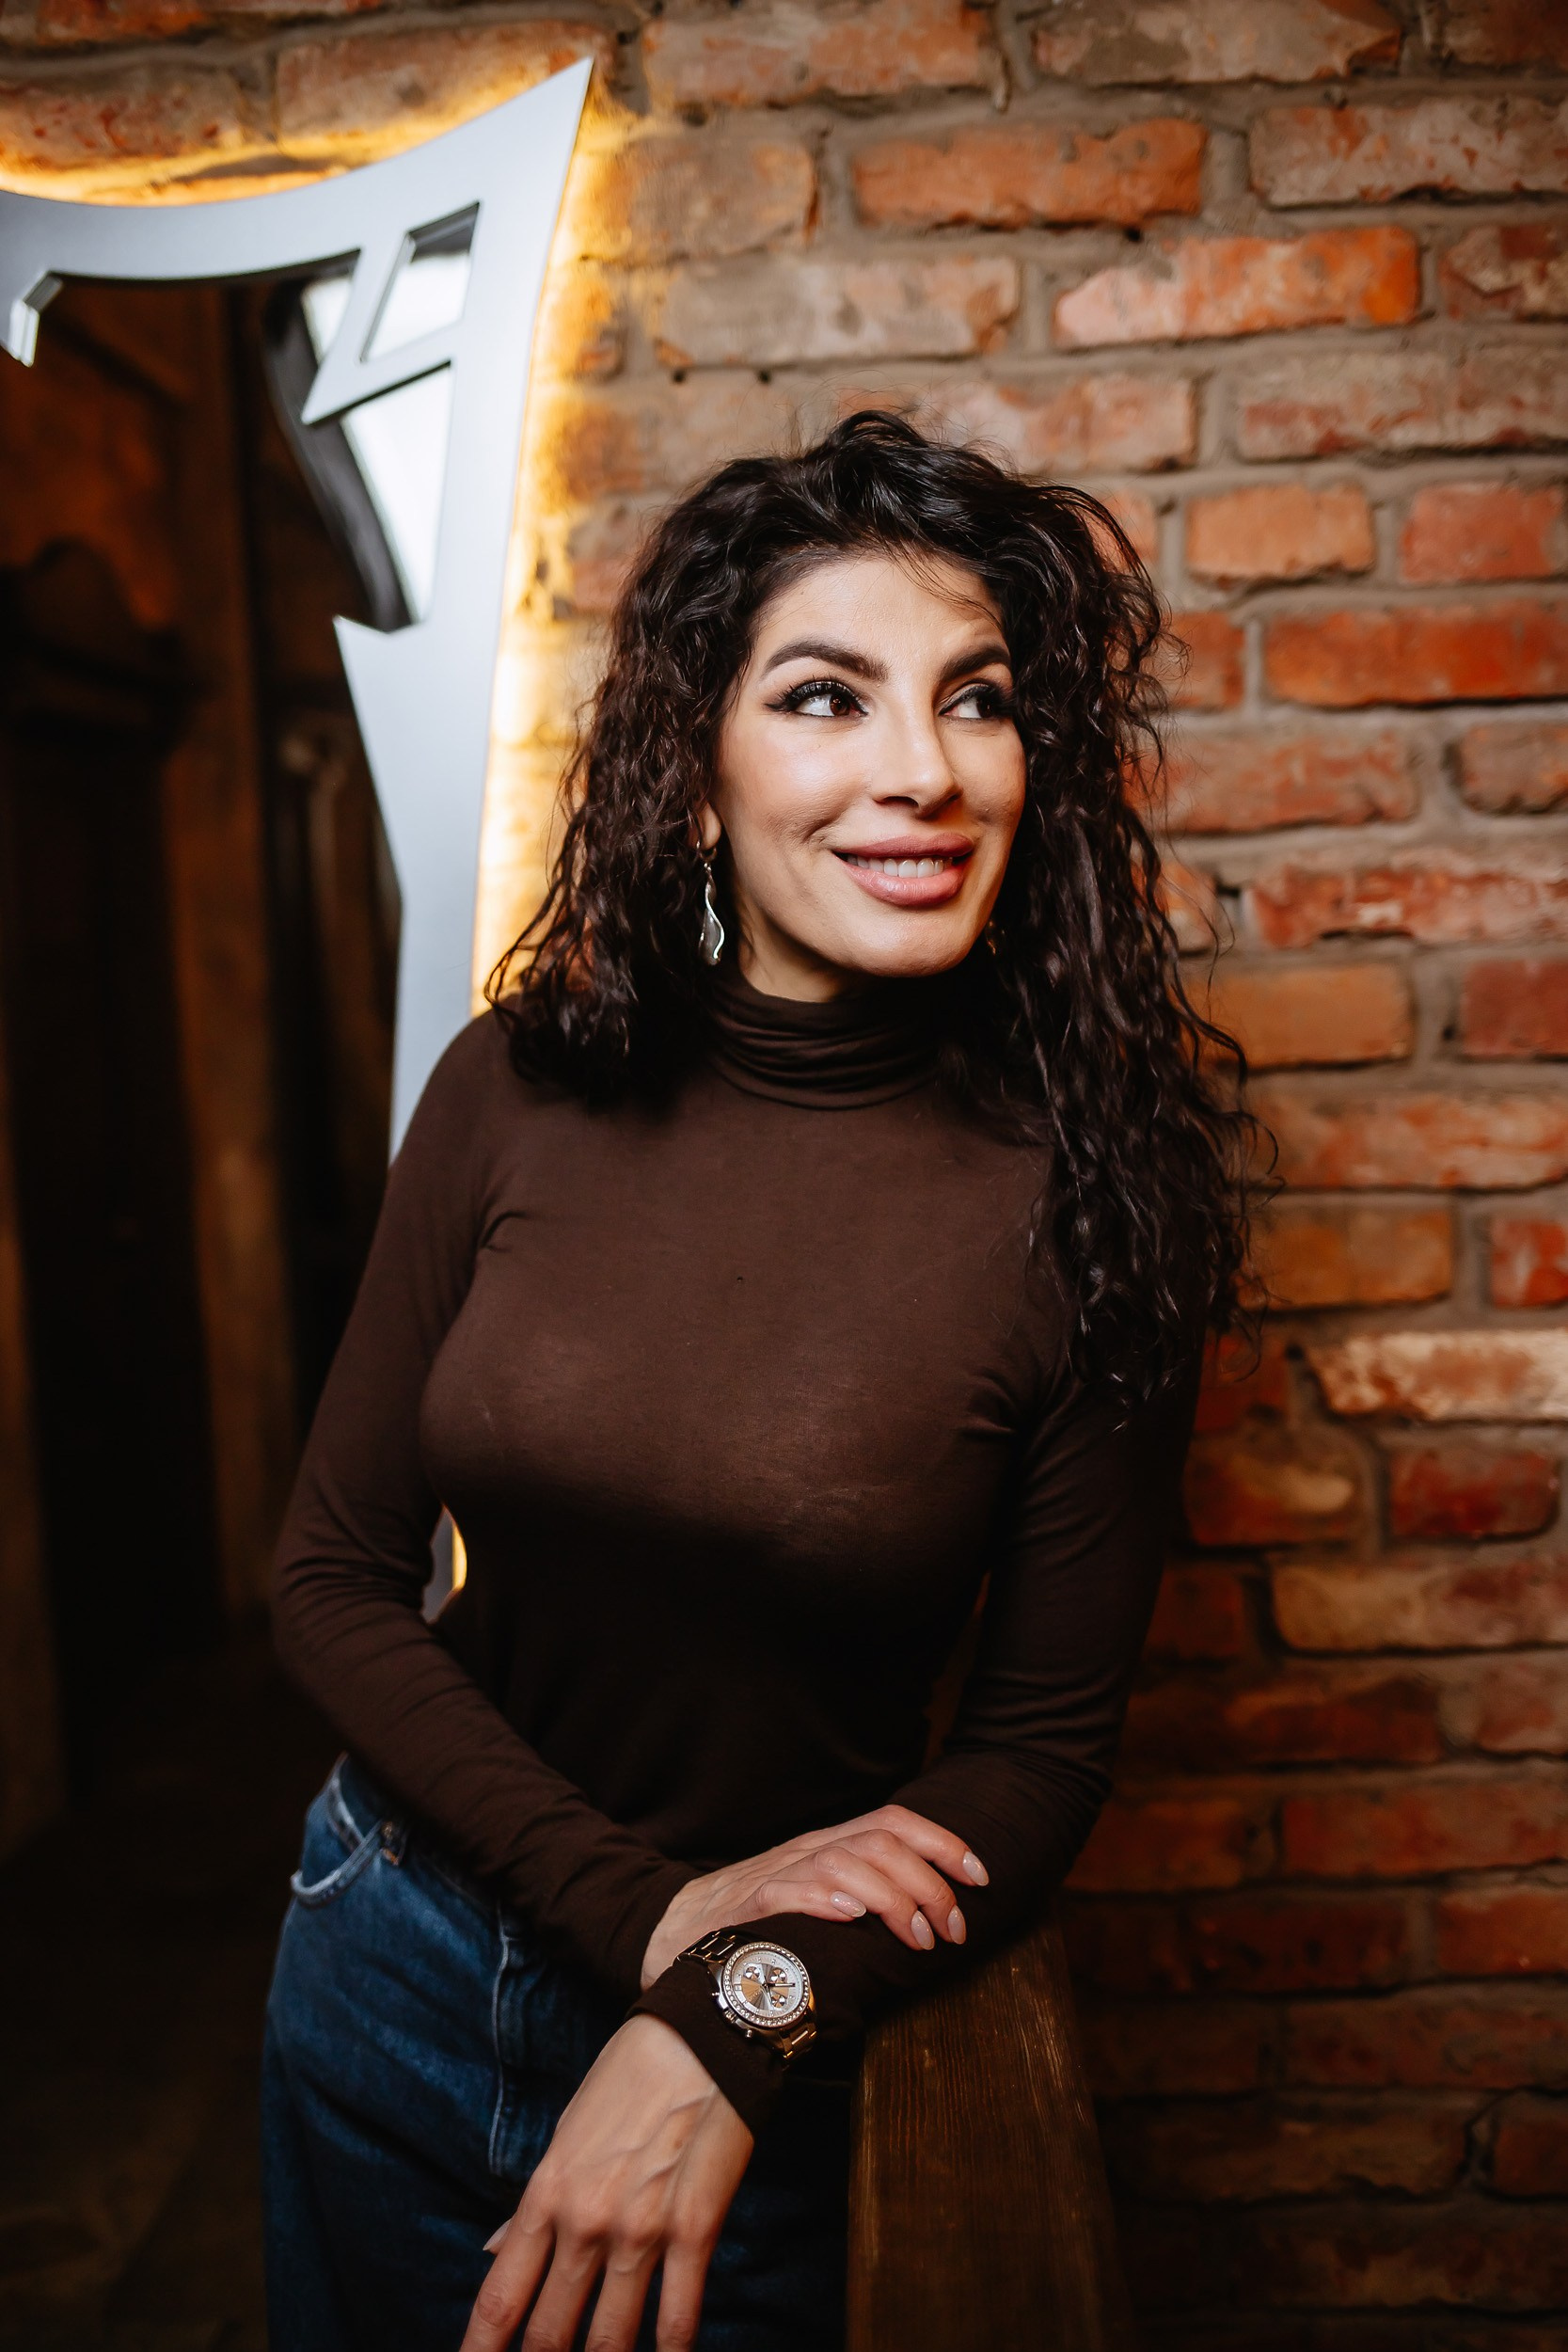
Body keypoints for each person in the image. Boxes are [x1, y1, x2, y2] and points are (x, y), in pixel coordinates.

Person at [261, 410, 1261, 2352]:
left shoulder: (1099, 1187)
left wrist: (734, 2010)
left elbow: (1037, 1757)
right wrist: (651, 1923)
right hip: (390, 1954)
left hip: (773, 2050)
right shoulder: (517, 1082)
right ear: (698, 776)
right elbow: (327, 1574)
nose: (923, 768)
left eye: (976, 698)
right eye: (825, 696)